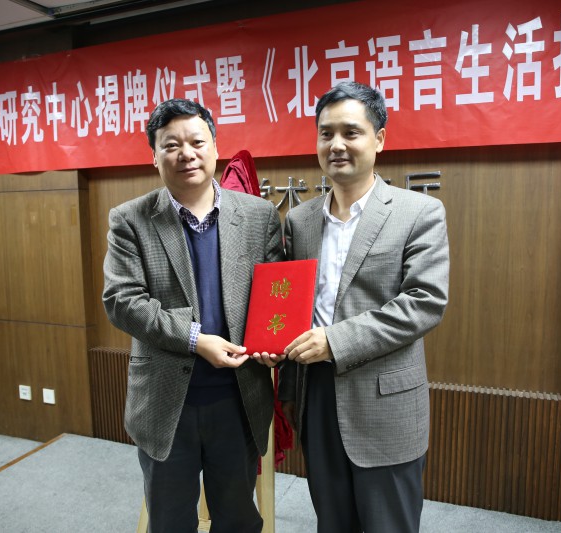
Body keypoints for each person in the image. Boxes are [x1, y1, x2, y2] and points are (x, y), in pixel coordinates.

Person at [269, 81, 450, 533]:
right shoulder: (300, 220)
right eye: (326, 134)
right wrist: (289, 388)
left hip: (384, 400)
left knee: (389, 525)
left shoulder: (418, 212)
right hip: (315, 394)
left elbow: (424, 302)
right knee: (332, 521)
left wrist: (334, 341)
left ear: (379, 139)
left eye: (351, 132)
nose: (337, 145)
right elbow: (294, 306)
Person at [102, 98, 284, 533]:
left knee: (237, 519)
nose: (186, 153)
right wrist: (194, 339)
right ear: (154, 155)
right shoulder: (130, 220)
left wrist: (275, 343)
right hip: (166, 402)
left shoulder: (258, 216)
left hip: (238, 399)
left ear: (215, 147)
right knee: (169, 521)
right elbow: (122, 301)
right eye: (171, 145)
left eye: (197, 142)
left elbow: (275, 298)